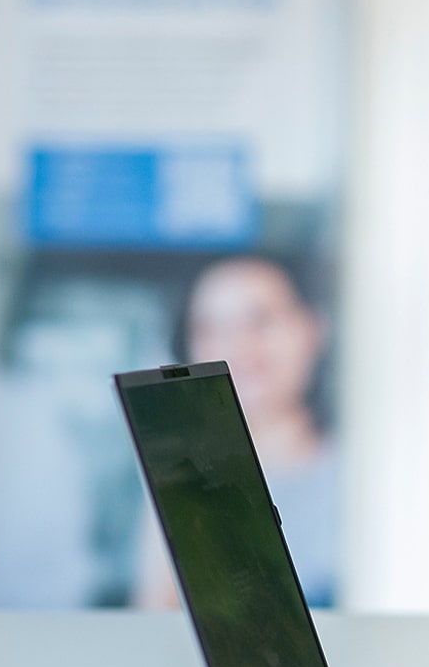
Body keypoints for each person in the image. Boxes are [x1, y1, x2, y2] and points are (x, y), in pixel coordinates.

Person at [136, 255, 340, 607]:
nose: (237, 347)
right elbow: (154, 619)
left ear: (312, 330)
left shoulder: (362, 483)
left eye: (260, 322)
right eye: (210, 329)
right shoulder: (185, 479)